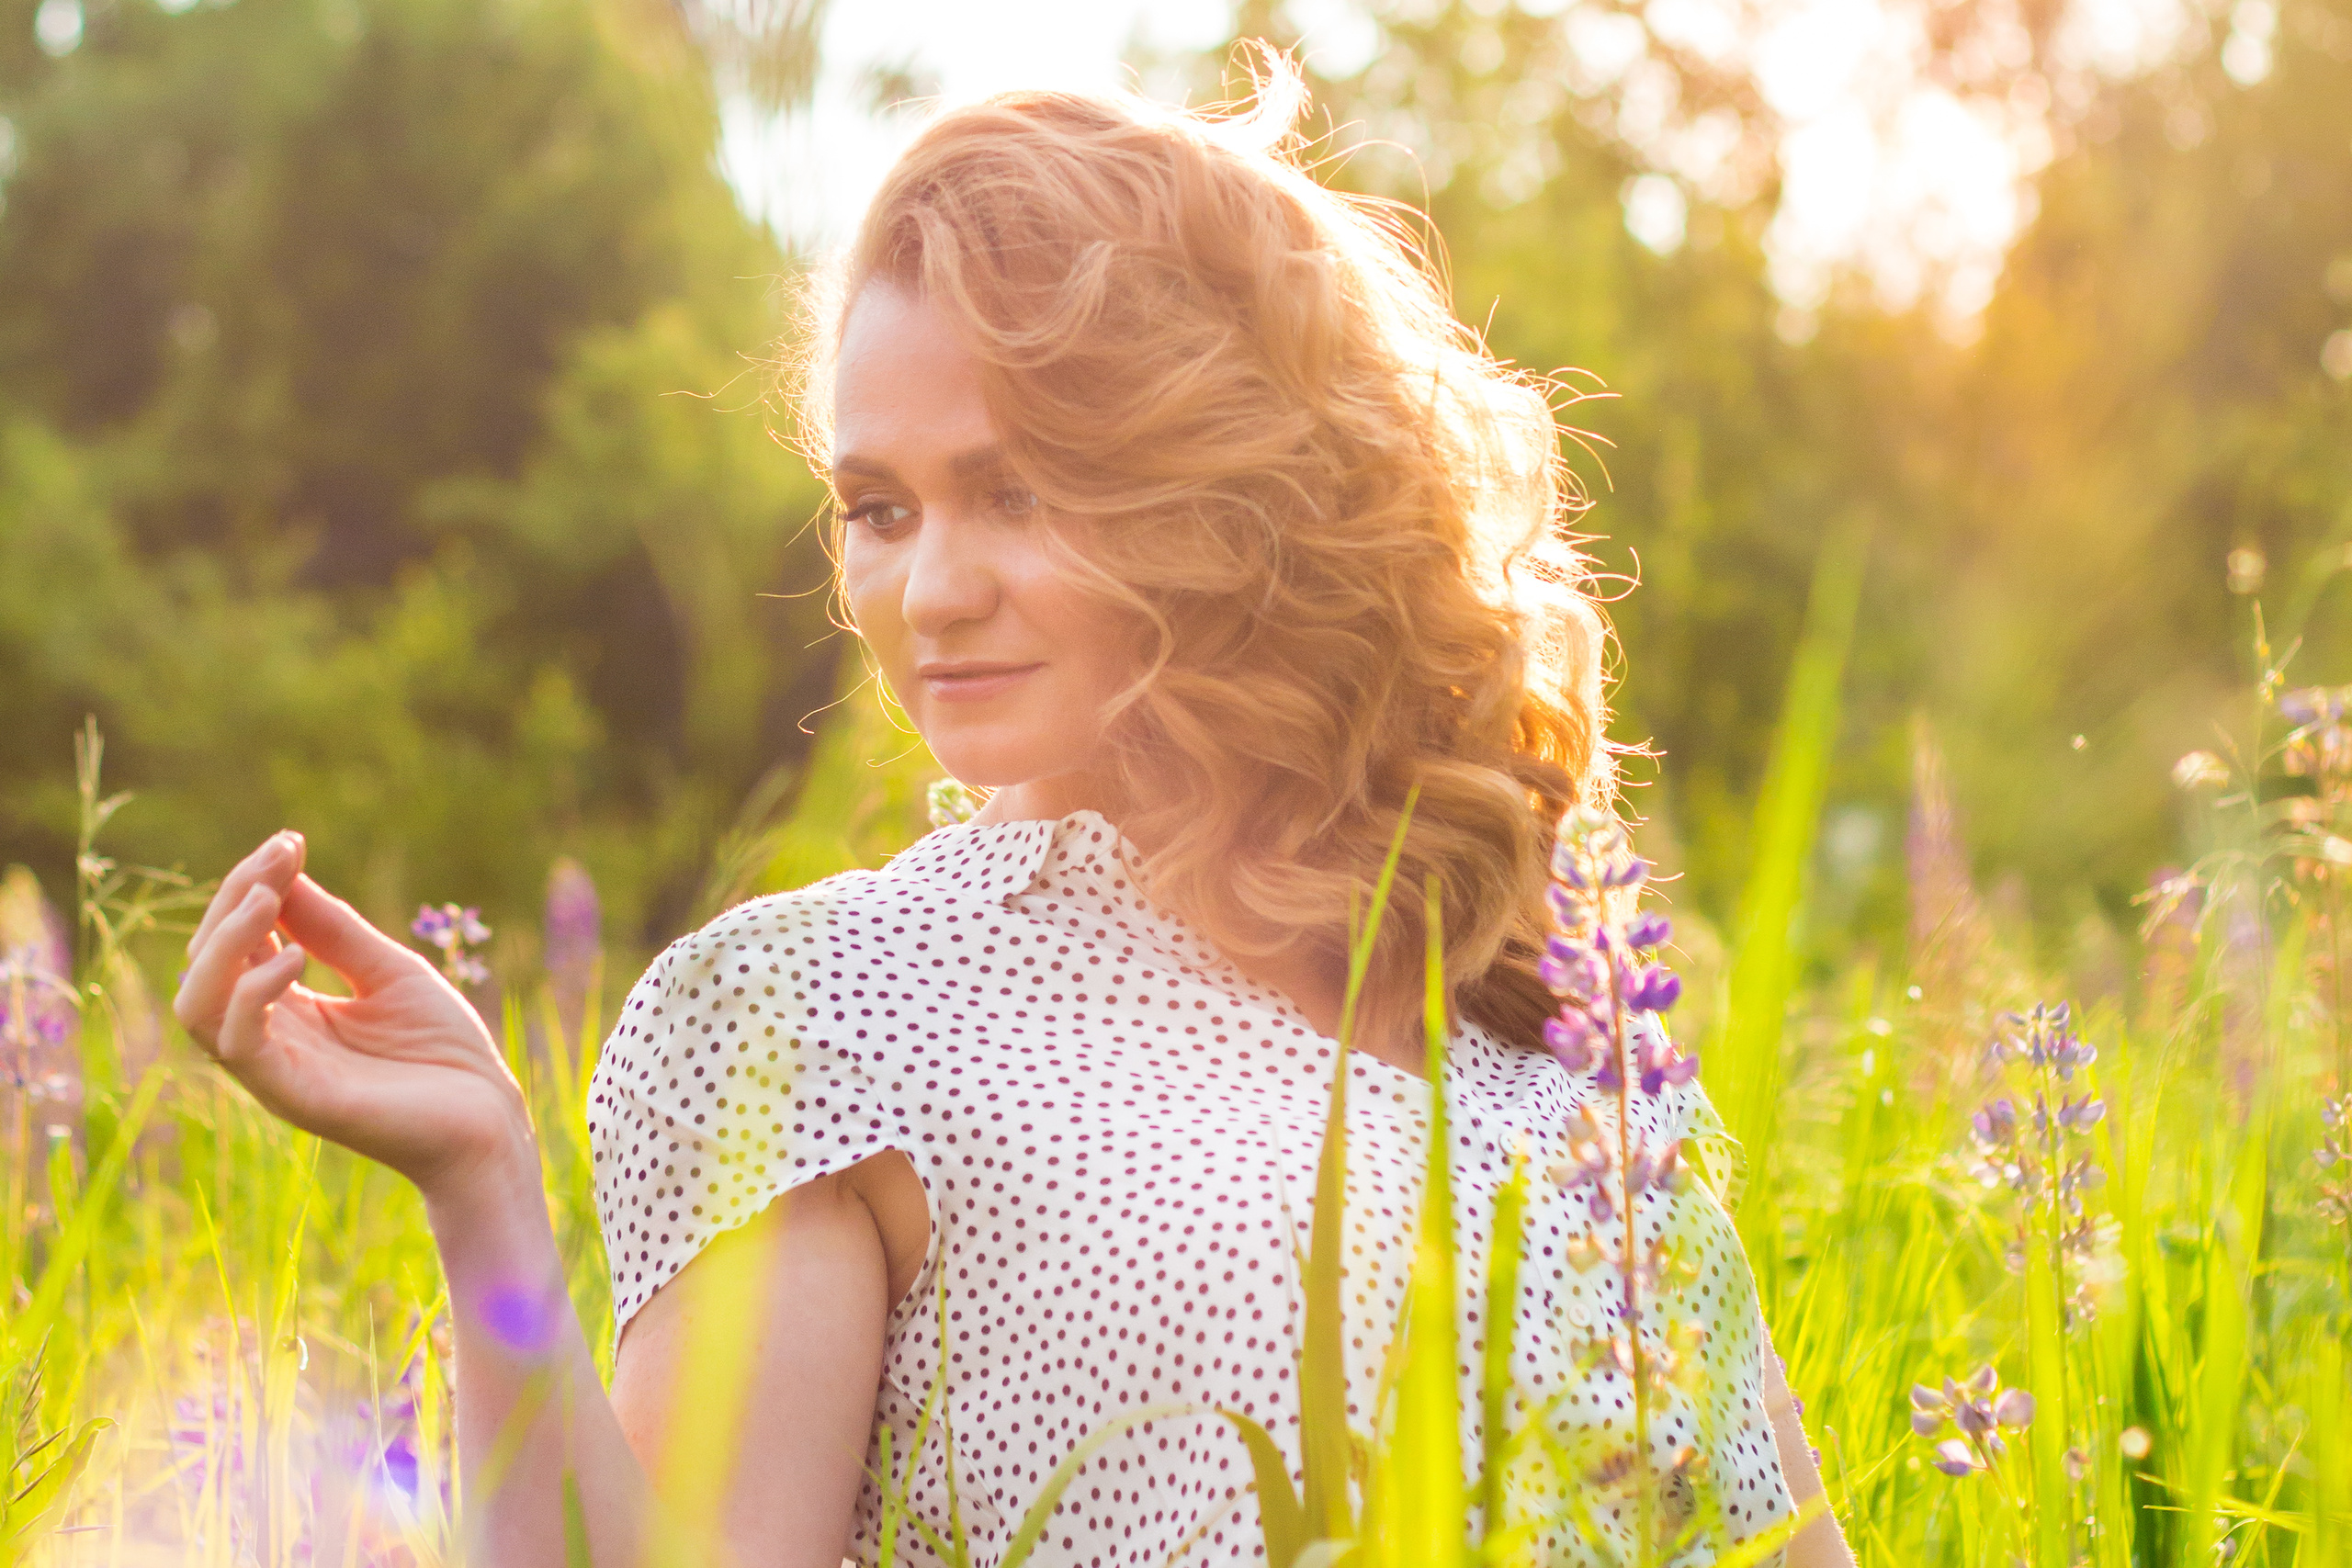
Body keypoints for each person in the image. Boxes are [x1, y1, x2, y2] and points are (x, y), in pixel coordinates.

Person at [173, 63, 1852, 1568]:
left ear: (1235, 498)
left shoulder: (1561, 1063)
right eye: (880, 508)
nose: (932, 589)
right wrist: (481, 1190)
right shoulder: (827, 1011)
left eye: (1020, 490)